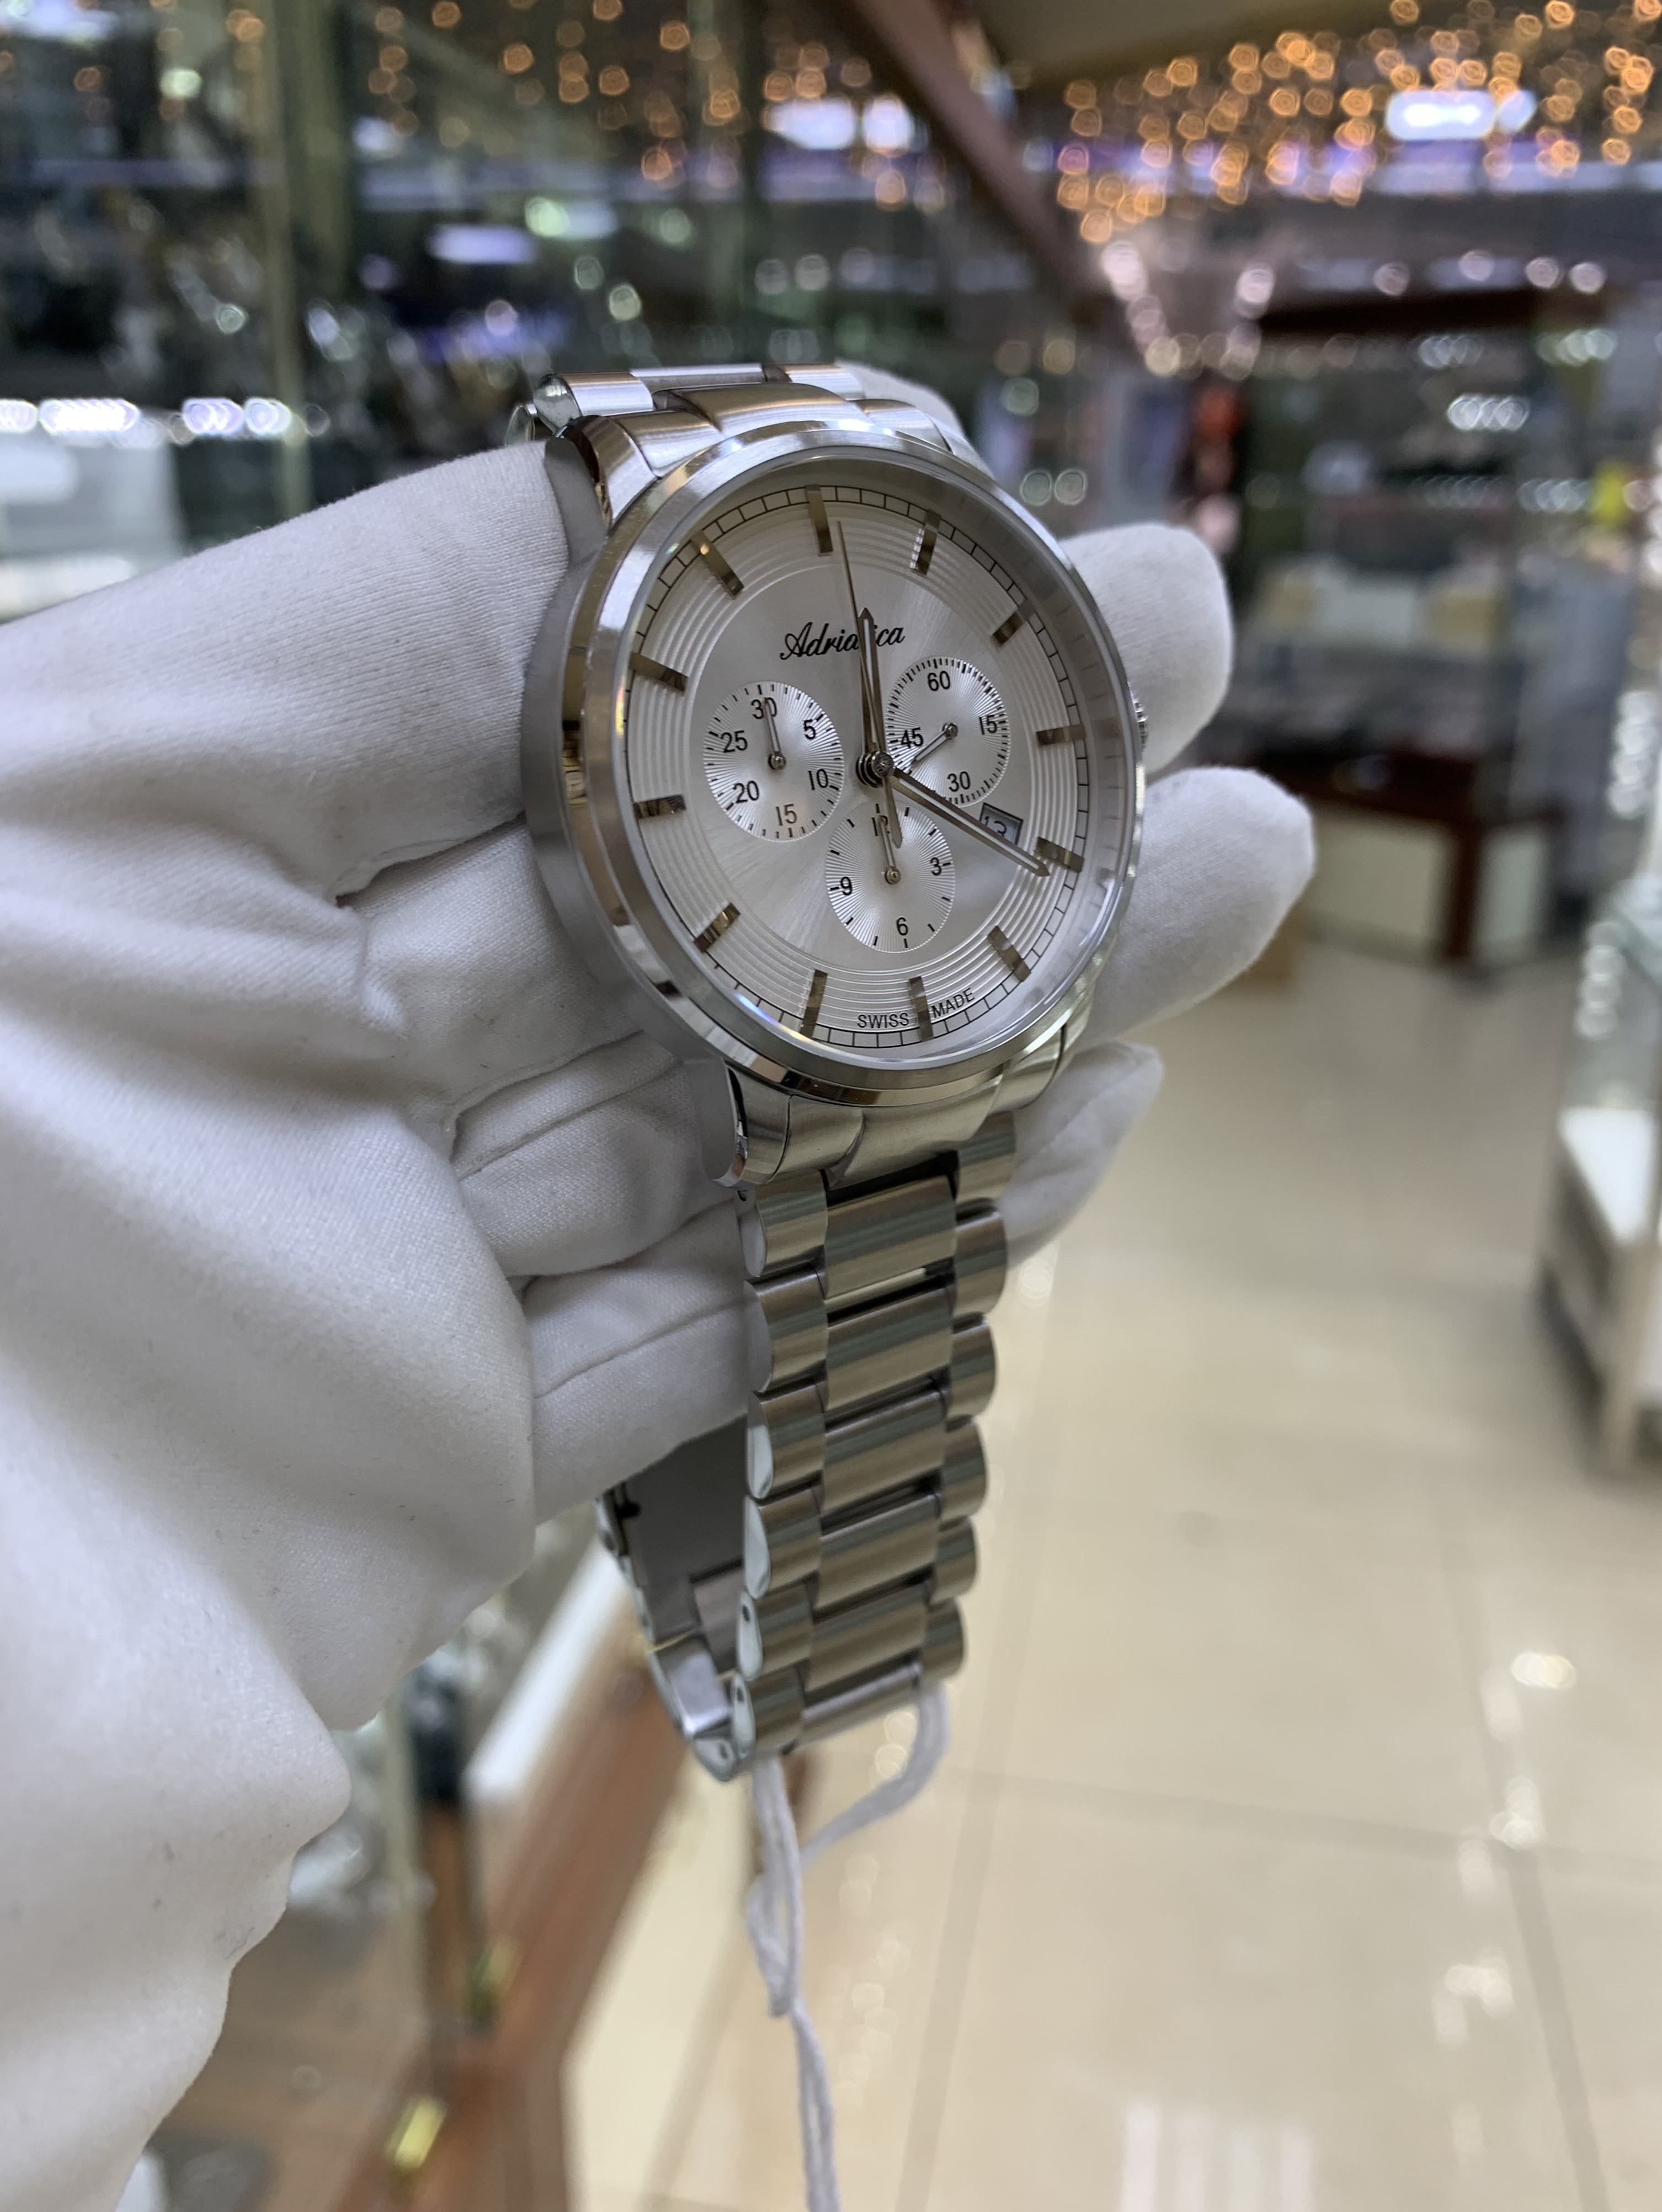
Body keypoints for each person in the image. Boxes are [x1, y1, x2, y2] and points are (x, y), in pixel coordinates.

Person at [0, 371, 1312, 2212]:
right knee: (742, 1280)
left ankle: (821, 1639)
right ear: (589, 813)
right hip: (797, 1026)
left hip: (932, 1005)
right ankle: (758, 1635)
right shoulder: (618, 752)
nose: (873, 765)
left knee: (808, 1296)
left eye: (902, 735)